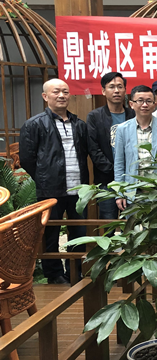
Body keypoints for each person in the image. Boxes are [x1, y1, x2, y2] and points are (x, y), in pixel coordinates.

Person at [19, 78, 89, 284]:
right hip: (50, 189)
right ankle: (54, 274)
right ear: (45, 96)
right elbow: (27, 159)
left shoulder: (79, 124)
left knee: (79, 232)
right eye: (56, 92)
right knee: (50, 232)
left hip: (78, 188)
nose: (61, 95)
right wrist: (44, 178)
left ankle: (75, 271)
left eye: (65, 92)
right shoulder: (34, 124)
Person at [113, 85, 157, 211]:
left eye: (149, 101)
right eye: (140, 101)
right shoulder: (122, 129)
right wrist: (119, 192)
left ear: (154, 105)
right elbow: (119, 163)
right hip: (132, 192)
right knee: (134, 223)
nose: (144, 105)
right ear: (131, 104)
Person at [87, 72, 135, 220]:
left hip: (131, 180)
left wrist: (127, 172)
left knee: (132, 222)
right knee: (108, 223)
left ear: (125, 90)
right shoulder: (95, 116)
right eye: (111, 87)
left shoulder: (133, 115)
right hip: (106, 180)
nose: (116, 91)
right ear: (103, 91)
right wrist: (115, 171)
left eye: (120, 87)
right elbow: (93, 149)